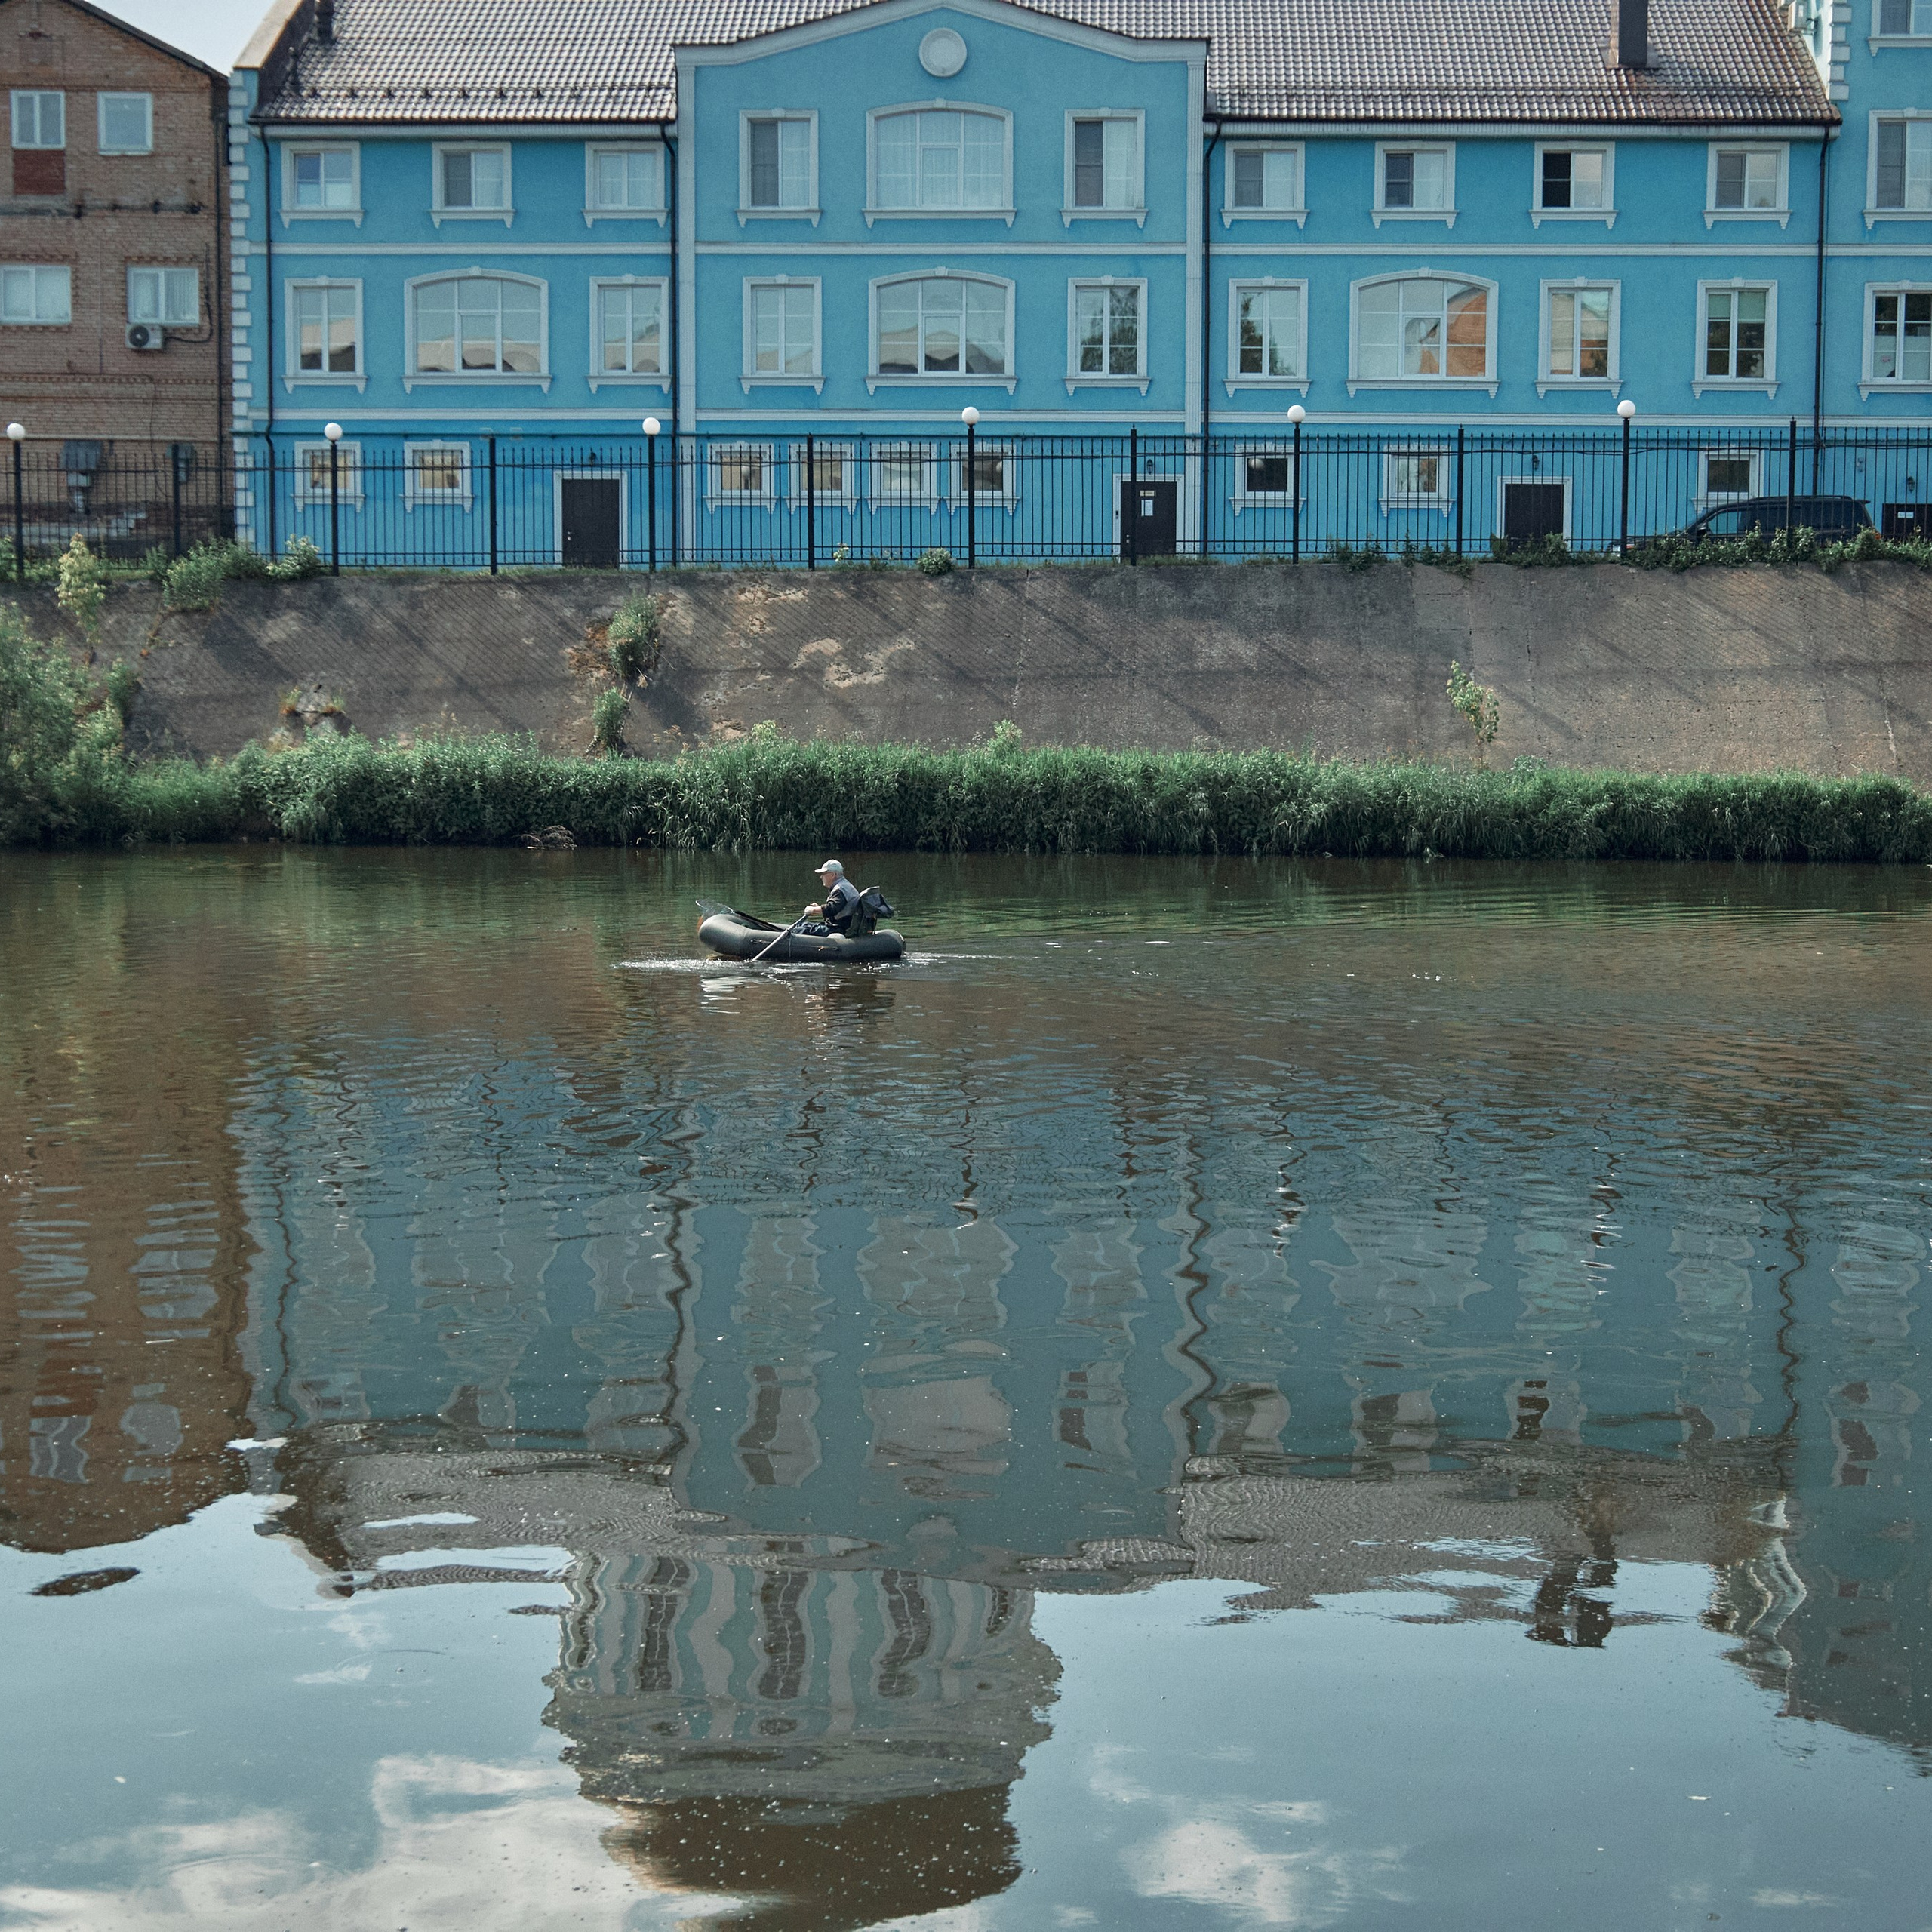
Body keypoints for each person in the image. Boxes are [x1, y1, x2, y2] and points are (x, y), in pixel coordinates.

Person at [803, 859, 863, 935]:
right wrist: (819, 908)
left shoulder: (840, 890)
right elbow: (837, 907)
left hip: (838, 929)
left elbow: (832, 908)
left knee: (802, 930)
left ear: (832, 875)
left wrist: (813, 910)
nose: (821, 877)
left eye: (823, 874)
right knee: (804, 925)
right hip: (840, 927)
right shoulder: (845, 886)